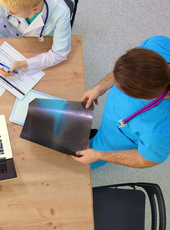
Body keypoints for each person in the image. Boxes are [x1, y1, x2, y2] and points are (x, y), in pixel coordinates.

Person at [72, 36, 170, 169]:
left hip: (110, 144)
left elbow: (146, 160)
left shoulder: (159, 131)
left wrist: (100, 155)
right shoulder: (158, 45)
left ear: (143, 98)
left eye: (121, 88)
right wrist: (99, 88)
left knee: (77, 166)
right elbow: (130, 67)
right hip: (107, 128)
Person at [0, 0, 71, 86]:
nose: (8, 13)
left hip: (36, 47)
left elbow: (59, 53)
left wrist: (23, 64)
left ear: (34, 9)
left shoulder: (61, 11)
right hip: (5, 35)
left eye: (14, 12)